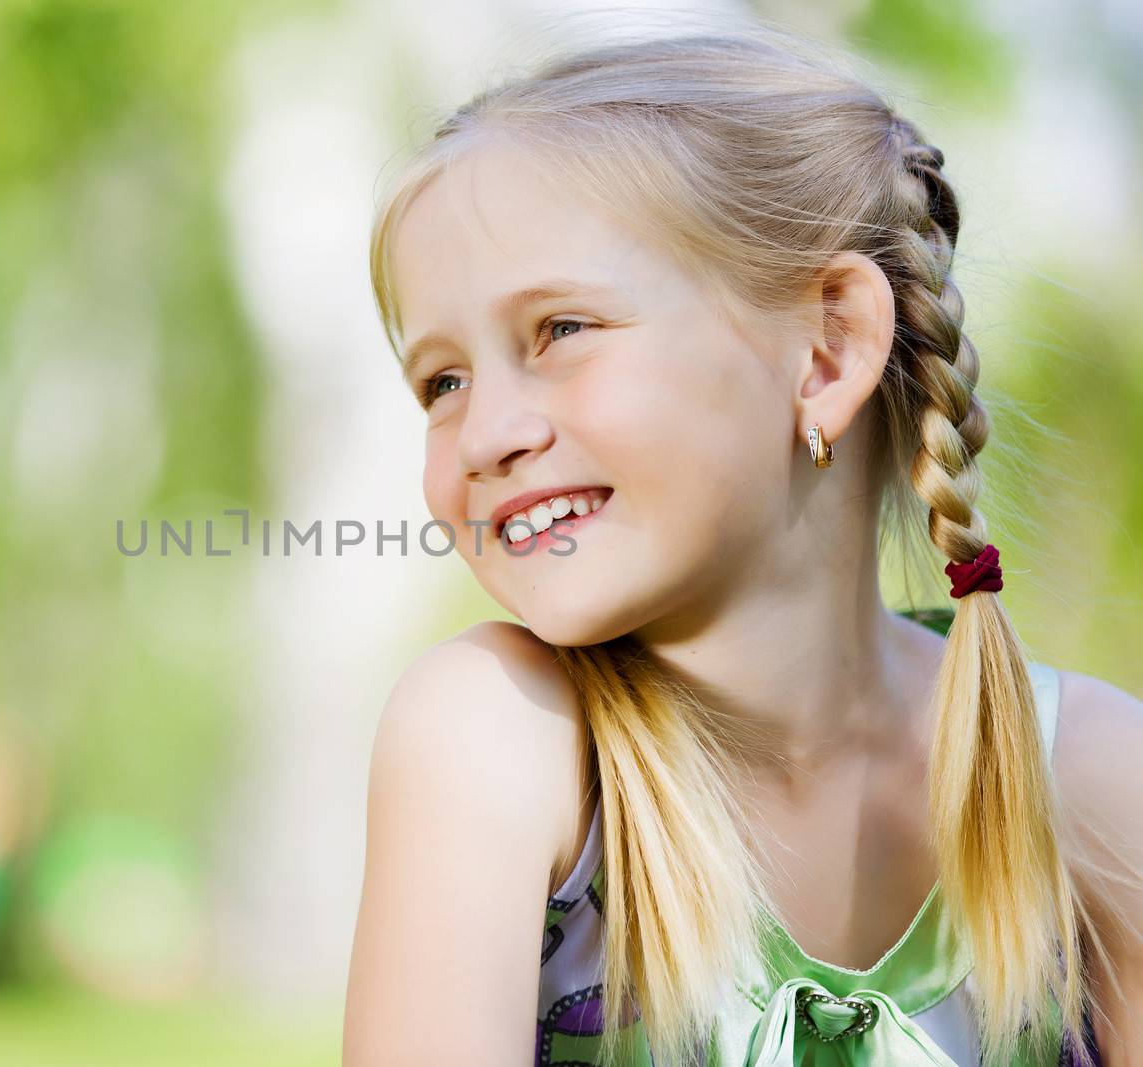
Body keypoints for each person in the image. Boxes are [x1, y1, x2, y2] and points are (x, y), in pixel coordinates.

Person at [342, 25, 1143, 1067]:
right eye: (442, 382)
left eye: (560, 330)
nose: (487, 435)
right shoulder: (501, 740)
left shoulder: (1087, 774)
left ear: (826, 348)